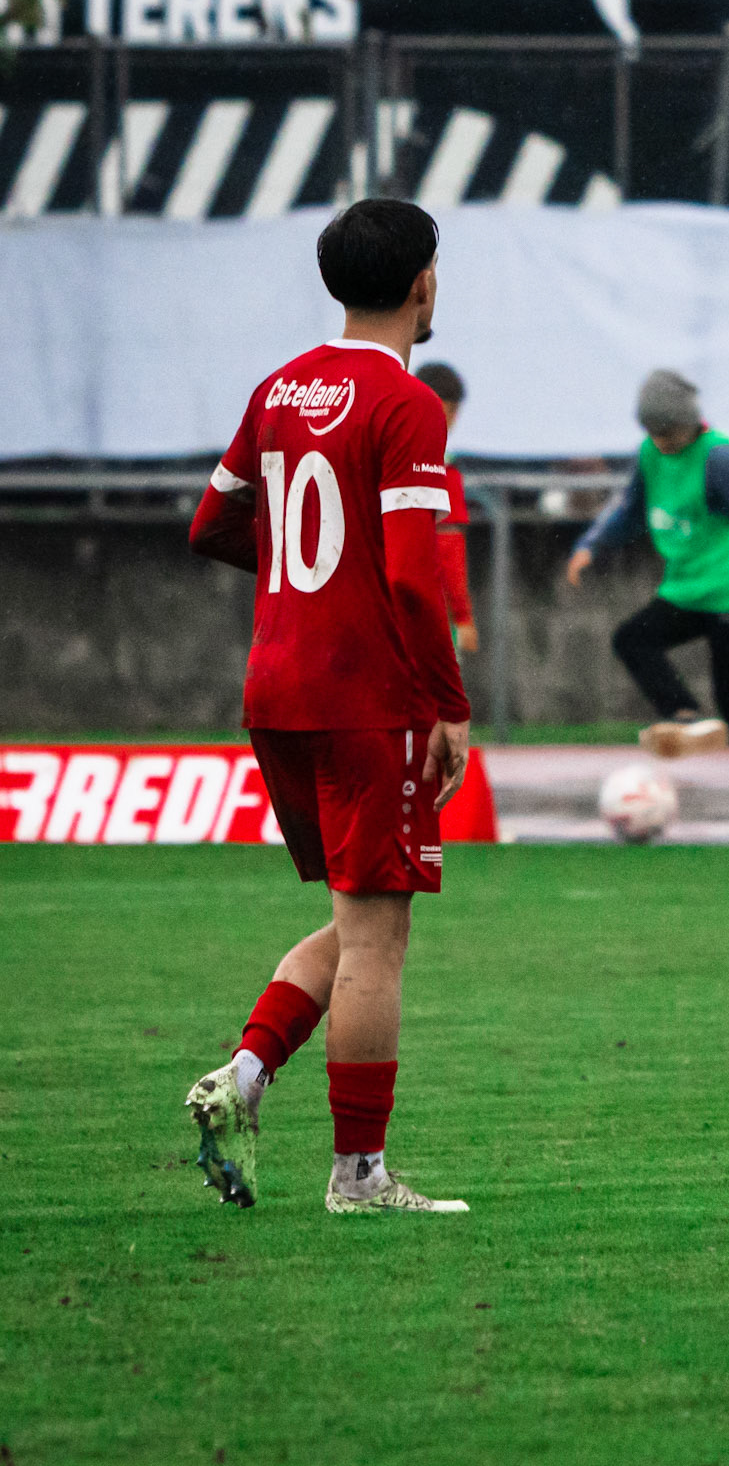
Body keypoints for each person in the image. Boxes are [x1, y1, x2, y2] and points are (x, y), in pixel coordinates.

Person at [184, 198, 474, 1213]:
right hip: (365, 697)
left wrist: (304, 584)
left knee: (357, 919)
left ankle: (243, 1078)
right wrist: (450, 705)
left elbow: (211, 523)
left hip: (277, 687)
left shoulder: (279, 388)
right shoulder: (407, 403)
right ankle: (359, 1174)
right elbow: (411, 579)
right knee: (379, 940)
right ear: (423, 283)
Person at [567, 368, 729, 843]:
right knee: (633, 639)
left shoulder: (721, 458)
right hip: (688, 588)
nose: (663, 442)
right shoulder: (650, 453)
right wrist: (592, 544)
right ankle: (684, 713)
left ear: (691, 423)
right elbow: (629, 509)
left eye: (670, 433)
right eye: (654, 433)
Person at [415, 360, 479, 654]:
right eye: (451, 410)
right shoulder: (442, 469)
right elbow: (448, 544)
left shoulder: (381, 456)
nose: (453, 420)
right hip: (428, 612)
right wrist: (463, 617)